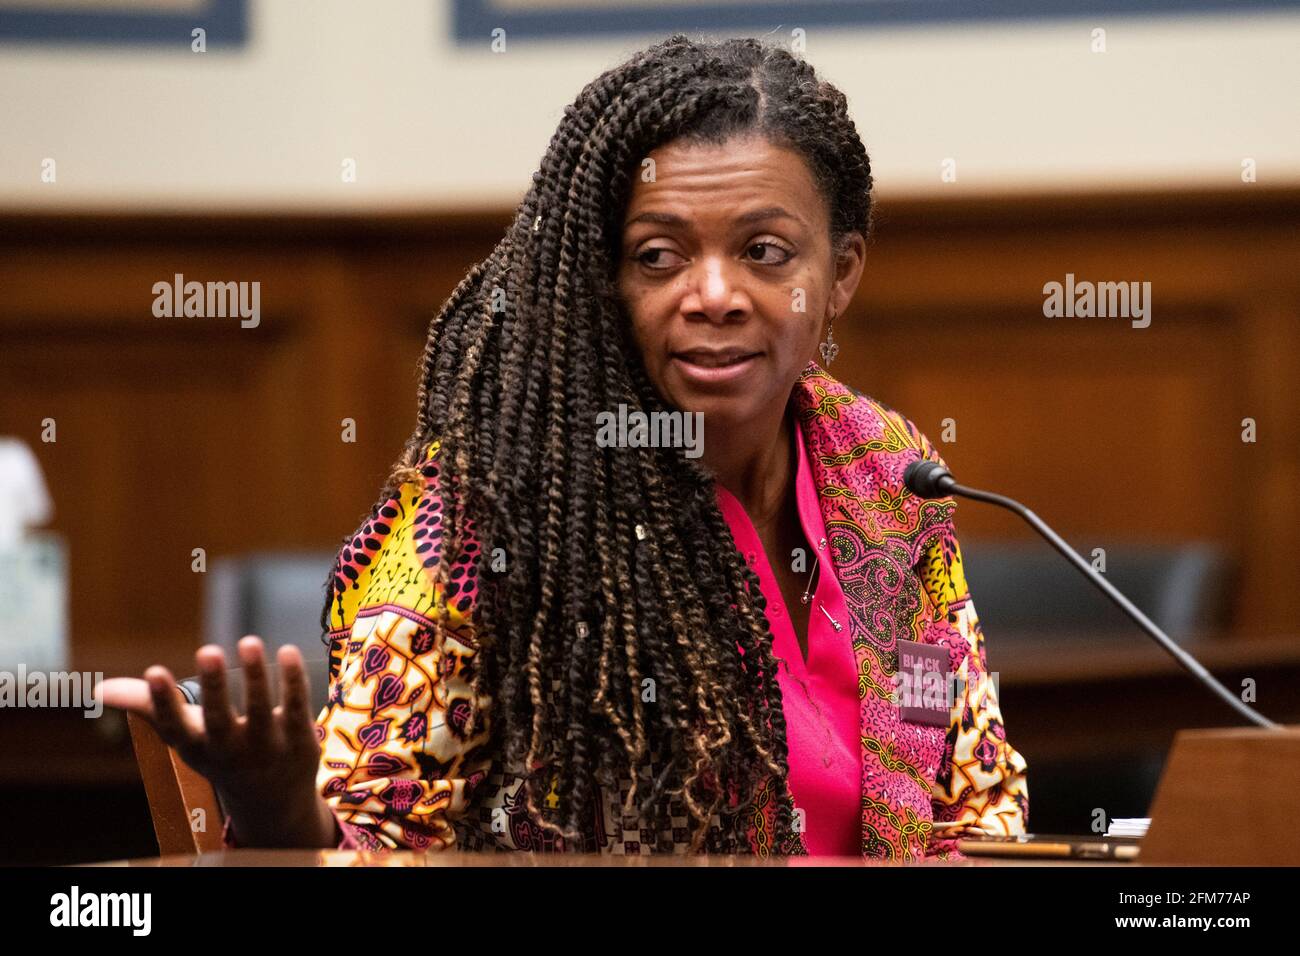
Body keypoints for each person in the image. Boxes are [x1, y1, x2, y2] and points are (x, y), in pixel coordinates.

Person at [97, 34, 1028, 860]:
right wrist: (274, 815)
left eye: (766, 252)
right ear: (602, 277)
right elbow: (376, 840)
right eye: (658, 257)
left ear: (841, 275)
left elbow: (969, 794)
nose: (713, 294)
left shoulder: (888, 473)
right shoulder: (490, 506)